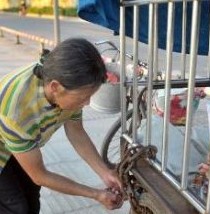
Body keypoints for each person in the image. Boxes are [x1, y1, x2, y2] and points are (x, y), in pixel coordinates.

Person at [0, 38, 124, 214]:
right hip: (5, 137)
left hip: (17, 142)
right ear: (55, 87)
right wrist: (95, 194)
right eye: (82, 97)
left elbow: (76, 133)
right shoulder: (16, 112)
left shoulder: (65, 81)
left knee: (31, 197)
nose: (87, 103)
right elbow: (40, 176)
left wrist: (105, 173)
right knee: (15, 206)